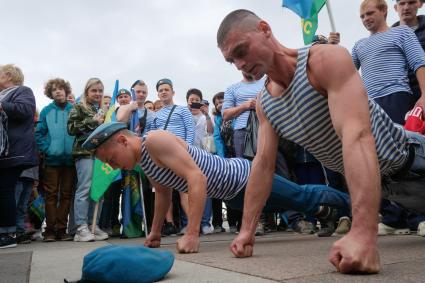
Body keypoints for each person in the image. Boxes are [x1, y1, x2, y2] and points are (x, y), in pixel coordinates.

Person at [216, 9, 425, 274]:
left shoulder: (324, 60)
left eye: (241, 50)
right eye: (231, 60)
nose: (239, 64)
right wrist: (246, 232)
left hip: (413, 161)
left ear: (265, 29)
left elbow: (357, 136)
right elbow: (262, 166)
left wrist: (363, 234)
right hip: (387, 191)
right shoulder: (265, 105)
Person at [81, 122, 350, 254]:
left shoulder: (154, 140)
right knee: (299, 203)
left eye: (111, 159)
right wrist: (154, 233)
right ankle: (329, 213)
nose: (114, 166)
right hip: (232, 197)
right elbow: (163, 194)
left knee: (302, 196)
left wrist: (193, 233)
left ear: (122, 141)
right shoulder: (144, 163)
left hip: (245, 179)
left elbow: (195, 178)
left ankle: (361, 205)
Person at [352, 0, 425, 125]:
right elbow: (345, 76)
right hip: (369, 104)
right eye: (362, 16)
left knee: (404, 141)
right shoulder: (358, 45)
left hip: (397, 97)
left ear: (383, 11)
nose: (366, 19)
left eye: (370, 13)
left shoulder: (402, 32)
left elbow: (419, 63)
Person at [0, 64, 38, 249]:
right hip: (3, 151)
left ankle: (8, 234)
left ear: (7, 75)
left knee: (5, 190)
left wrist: (2, 105)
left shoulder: (23, 91)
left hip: (13, 151)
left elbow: (25, 110)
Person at [35, 78, 76, 242]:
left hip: (70, 161)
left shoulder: (74, 109)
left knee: (66, 194)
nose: (58, 91)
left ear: (66, 90)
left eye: (60, 88)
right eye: (54, 90)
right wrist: (48, 149)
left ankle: (62, 229)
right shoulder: (46, 111)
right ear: (50, 94)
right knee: (51, 195)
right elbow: (39, 133)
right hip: (52, 161)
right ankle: (50, 230)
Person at [67, 78, 109, 242]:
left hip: (101, 155)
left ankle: (93, 225)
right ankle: (81, 228)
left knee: (99, 190)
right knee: (84, 188)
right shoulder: (78, 107)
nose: (98, 94)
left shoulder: (102, 110)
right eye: (94, 90)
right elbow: (71, 128)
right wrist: (93, 121)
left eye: (100, 91)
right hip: (84, 153)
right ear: (87, 92)